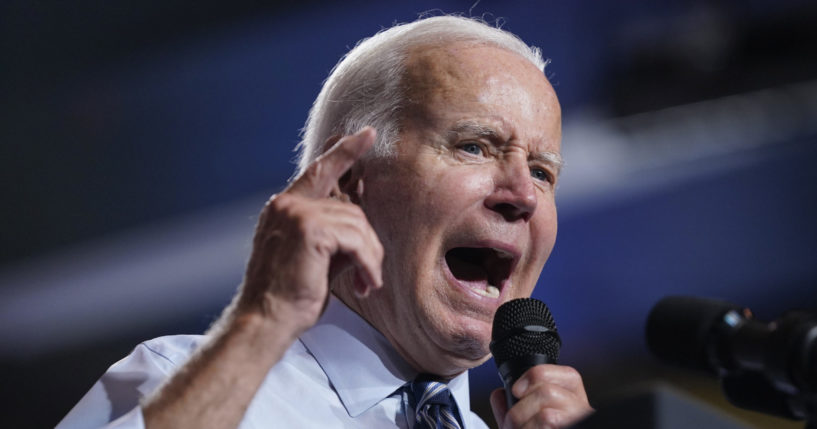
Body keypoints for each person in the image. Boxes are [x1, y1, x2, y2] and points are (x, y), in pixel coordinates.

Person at [57, 15, 593, 429]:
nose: (523, 194)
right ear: (347, 179)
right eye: (474, 146)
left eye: (543, 173)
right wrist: (261, 324)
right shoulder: (187, 389)